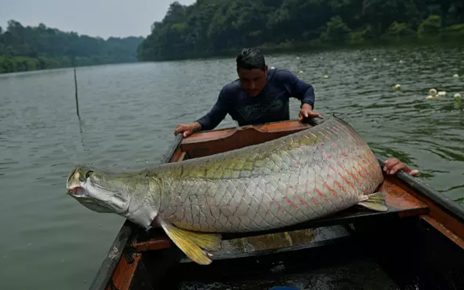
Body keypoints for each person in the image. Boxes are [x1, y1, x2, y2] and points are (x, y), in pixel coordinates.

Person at [174, 48, 417, 176]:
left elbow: (306, 90)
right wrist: (195, 126)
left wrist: (306, 107)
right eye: (244, 80)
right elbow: (212, 118)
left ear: (266, 71)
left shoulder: (282, 78)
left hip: (286, 142)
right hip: (249, 149)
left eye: (256, 79)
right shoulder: (230, 92)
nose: (251, 86)